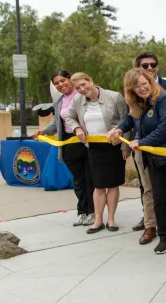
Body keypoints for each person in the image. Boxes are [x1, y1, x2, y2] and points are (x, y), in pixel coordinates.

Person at [108, 68, 166, 254]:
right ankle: (164, 237)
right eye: (137, 87)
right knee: (159, 198)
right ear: (131, 90)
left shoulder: (164, 99)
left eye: (145, 84)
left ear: (150, 82)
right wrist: (119, 129)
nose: (142, 88)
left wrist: (142, 142)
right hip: (153, 160)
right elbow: (131, 119)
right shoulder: (138, 104)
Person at [118, 52, 166, 245]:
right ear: (138, 68)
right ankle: (150, 226)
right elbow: (130, 118)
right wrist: (119, 130)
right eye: (145, 65)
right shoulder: (134, 92)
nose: (150, 68)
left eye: (153, 64)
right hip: (142, 148)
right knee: (149, 189)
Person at [63, 72, 132, 234]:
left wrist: (125, 147)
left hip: (114, 147)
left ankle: (111, 220)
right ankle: (98, 221)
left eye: (83, 85)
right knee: (98, 185)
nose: (81, 89)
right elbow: (69, 118)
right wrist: (77, 128)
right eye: (78, 87)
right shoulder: (77, 101)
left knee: (113, 184)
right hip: (93, 148)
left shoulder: (114, 97)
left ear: (91, 80)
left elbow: (127, 120)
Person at [33, 70, 94, 227]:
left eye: (63, 81)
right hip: (68, 142)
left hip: (87, 141)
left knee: (89, 178)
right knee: (78, 180)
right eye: (57, 83)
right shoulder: (58, 100)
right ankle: (82, 212)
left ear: (70, 79)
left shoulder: (82, 94)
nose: (60, 85)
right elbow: (56, 122)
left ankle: (93, 212)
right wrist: (44, 131)